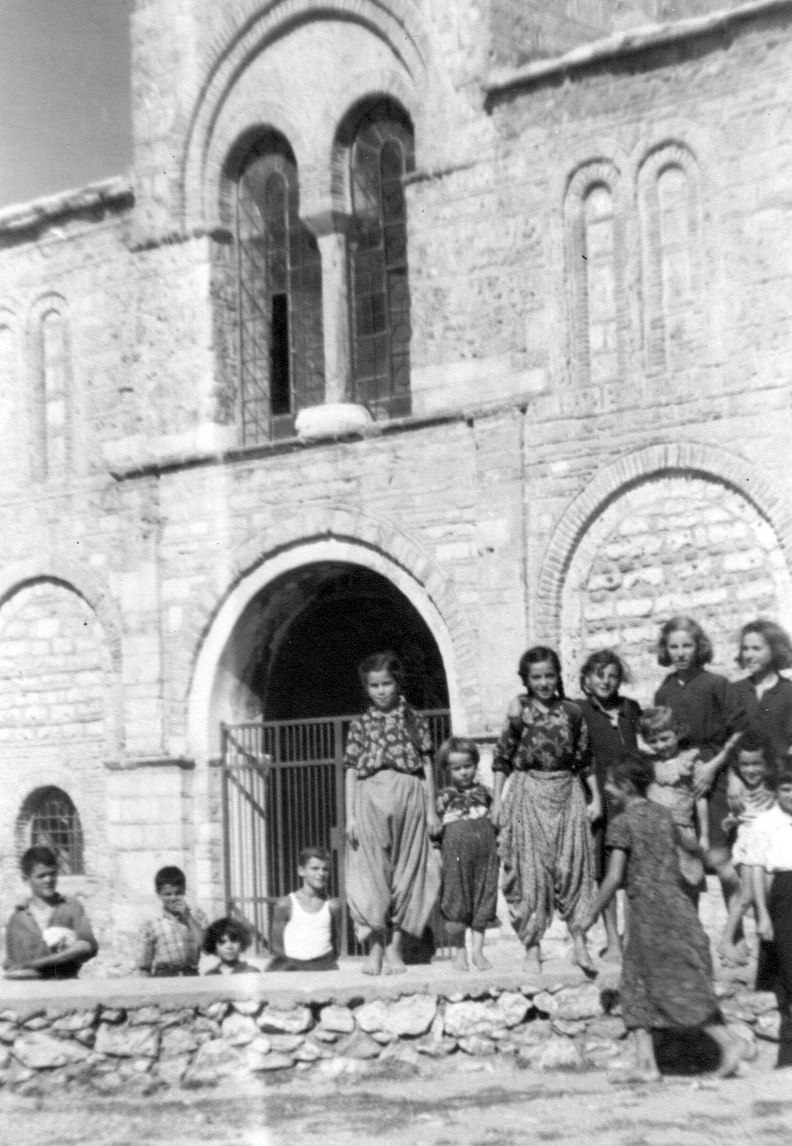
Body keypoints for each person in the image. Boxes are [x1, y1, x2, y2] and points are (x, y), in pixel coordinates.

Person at [583, 755, 742, 1083]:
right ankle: (647, 1066)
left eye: (611, 783)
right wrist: (714, 859)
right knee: (645, 981)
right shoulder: (664, 815)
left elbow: (613, 878)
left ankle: (728, 1042)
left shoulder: (622, 823)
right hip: (675, 905)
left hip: (648, 911)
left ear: (627, 786)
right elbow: (691, 847)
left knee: (660, 981)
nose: (607, 789)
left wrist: (591, 914)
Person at [492, 645, 597, 976]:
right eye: (536, 677)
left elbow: (585, 758)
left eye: (549, 676)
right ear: (527, 679)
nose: (544, 683)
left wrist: (595, 798)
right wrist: (497, 800)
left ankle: (579, 941)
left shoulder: (572, 712)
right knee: (530, 873)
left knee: (573, 869)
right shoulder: (518, 712)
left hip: (567, 792)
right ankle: (532, 946)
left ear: (558, 676)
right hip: (528, 793)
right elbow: (502, 757)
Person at [344, 651, 441, 976]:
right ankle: (374, 949)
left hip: (409, 798)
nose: (381, 691)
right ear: (366, 688)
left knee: (407, 875)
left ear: (398, 683)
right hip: (370, 798)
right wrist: (351, 816)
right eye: (374, 685)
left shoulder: (415, 720)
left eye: (386, 683)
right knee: (372, 876)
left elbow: (427, 766)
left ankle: (395, 949)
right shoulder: (360, 725)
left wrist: (431, 811)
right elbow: (351, 770)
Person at [654, 616, 746, 906]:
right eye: (674, 647)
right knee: (684, 859)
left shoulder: (717, 684)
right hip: (683, 781)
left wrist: (713, 768)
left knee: (719, 856)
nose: (680, 653)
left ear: (699, 647)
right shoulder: (665, 690)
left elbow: (739, 732)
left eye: (687, 646)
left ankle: (739, 921)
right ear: (666, 650)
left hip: (715, 773)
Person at [577, 649, 642, 962]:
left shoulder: (631, 709)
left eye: (613, 676)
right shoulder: (579, 711)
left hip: (633, 801)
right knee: (605, 874)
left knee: (632, 872)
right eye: (599, 675)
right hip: (601, 801)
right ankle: (613, 940)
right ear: (587, 679)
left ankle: (631, 939)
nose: (606, 681)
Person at [641, 706, 738, 900]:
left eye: (665, 739)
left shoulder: (689, 759)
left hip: (682, 829)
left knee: (687, 877)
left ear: (677, 733)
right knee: (658, 880)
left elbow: (699, 798)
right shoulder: (649, 763)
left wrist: (704, 836)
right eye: (653, 741)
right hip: (654, 830)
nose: (660, 745)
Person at [435, 737, 499, 972]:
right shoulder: (443, 797)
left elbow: (502, 821)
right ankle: (460, 951)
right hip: (454, 856)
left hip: (486, 855)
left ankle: (478, 952)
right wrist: (436, 853)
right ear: (447, 769)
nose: (463, 772)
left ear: (476, 764)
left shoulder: (488, 793)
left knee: (483, 898)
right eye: (457, 768)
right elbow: (434, 830)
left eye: (468, 766)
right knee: (456, 900)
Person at [747, 764, 792, 1068]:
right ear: (775, 792)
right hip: (785, 894)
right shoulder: (765, 822)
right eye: (786, 789)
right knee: (788, 969)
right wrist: (762, 915)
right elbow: (756, 869)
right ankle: (787, 1055)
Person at [718, 728, 776, 965]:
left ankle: (767, 950)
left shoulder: (771, 788)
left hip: (769, 849)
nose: (751, 770)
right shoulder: (740, 789)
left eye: (756, 764)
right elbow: (740, 817)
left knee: (768, 897)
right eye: (745, 765)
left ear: (766, 764)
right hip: (749, 848)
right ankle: (725, 941)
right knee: (747, 895)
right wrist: (731, 821)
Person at [4, 845, 98, 979]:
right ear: (26, 879)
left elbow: (86, 946)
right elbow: (14, 967)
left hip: (67, 984)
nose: (48, 880)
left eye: (52, 874)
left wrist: (39, 963)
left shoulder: (71, 907)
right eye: (41, 876)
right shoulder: (18, 919)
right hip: (31, 987)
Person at [266, 846, 341, 971]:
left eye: (325, 869)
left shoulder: (333, 905)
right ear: (301, 871)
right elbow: (277, 945)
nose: (321, 873)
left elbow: (336, 942)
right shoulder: (286, 904)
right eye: (315, 868)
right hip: (294, 969)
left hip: (325, 966)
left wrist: (328, 964)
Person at [730, 619, 792, 763]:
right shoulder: (735, 690)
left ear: (775, 650)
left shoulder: (788, 691)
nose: (748, 655)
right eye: (745, 649)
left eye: (756, 649)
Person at [138, 865, 207, 977]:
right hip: (164, 977)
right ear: (159, 894)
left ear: (184, 891)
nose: (173, 898)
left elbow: (206, 947)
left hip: (191, 976)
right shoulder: (151, 923)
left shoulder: (197, 916)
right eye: (167, 894)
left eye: (178, 893)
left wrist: (188, 917)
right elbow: (145, 965)